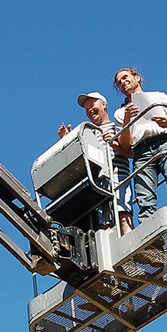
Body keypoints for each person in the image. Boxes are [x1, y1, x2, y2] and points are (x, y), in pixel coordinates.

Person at [112, 67, 167, 224]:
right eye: (119, 82)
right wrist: (127, 121)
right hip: (140, 151)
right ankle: (152, 240)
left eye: (125, 77)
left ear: (137, 77)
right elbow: (125, 146)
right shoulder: (120, 113)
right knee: (144, 198)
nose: (123, 82)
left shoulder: (159, 97)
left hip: (164, 142)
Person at [58, 92, 133, 235]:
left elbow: (129, 150)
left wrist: (114, 141)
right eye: (86, 109)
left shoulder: (116, 125)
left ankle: (134, 250)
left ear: (103, 105)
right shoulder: (88, 132)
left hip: (118, 176)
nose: (89, 110)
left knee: (123, 216)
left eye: (92, 105)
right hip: (98, 181)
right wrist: (67, 142)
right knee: (104, 224)